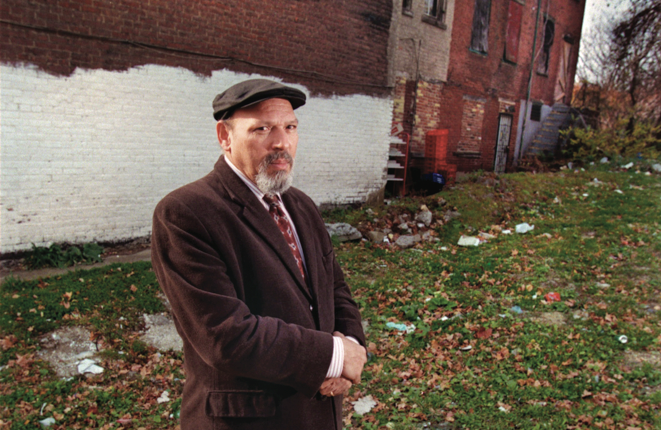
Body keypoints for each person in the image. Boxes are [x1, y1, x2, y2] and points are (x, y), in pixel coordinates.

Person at [151, 79, 367, 430]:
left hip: (319, 412)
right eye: (262, 129)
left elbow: (336, 291)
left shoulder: (302, 206)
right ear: (225, 136)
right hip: (248, 420)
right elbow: (225, 336)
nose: (281, 142)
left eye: (290, 127)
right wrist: (334, 356)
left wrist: (351, 346)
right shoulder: (186, 212)